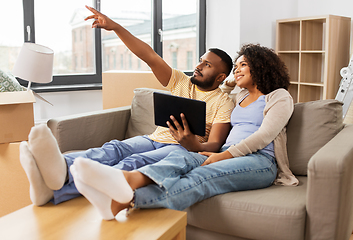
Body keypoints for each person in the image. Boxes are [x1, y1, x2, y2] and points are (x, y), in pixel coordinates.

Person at [19, 6, 234, 206]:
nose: (198, 66)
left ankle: (57, 192)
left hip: (180, 148)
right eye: (200, 60)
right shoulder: (181, 82)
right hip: (154, 139)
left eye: (207, 65)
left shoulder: (224, 103)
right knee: (114, 148)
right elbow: (148, 55)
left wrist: (192, 144)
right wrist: (115, 28)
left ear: (221, 77)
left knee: (134, 161)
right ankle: (61, 167)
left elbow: (214, 144)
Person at [69, 43, 300, 221]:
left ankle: (125, 196)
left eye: (243, 65)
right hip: (230, 153)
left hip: (260, 161)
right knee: (181, 155)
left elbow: (264, 136)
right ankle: (122, 188)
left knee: (200, 178)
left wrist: (222, 155)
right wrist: (232, 80)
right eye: (236, 65)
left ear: (261, 67)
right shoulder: (240, 95)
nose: (237, 70)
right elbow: (226, 85)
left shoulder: (279, 96)